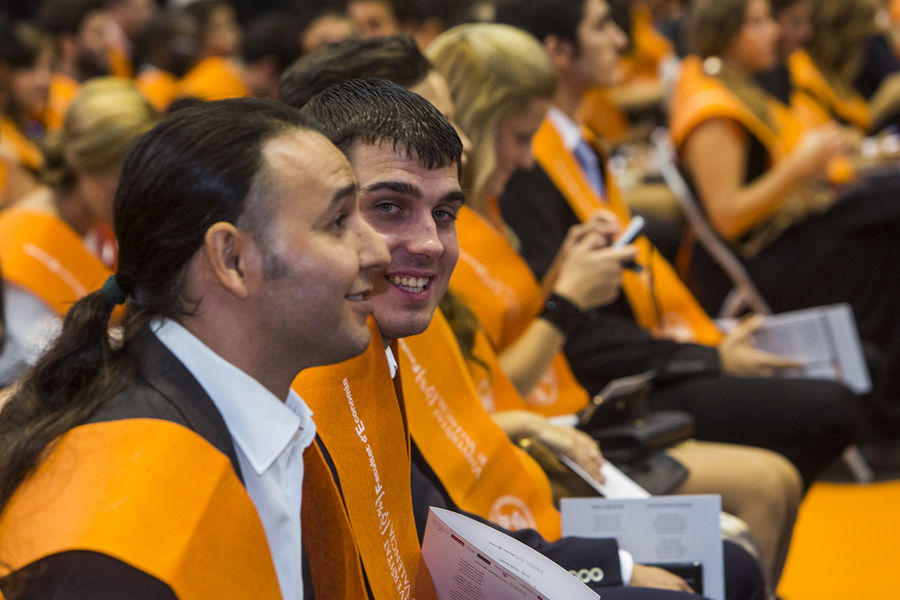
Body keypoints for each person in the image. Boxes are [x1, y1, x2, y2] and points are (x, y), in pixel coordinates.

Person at [281, 35, 804, 588]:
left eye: (449, 120)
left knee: (745, 536)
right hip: (513, 478)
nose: (461, 141)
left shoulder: (439, 255)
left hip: (525, 467)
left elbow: (458, 432)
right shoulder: (339, 342)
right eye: (388, 207)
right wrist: (564, 306)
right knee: (751, 517)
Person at [429, 15, 860, 497]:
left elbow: (516, 323)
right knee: (780, 468)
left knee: (838, 388)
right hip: (537, 426)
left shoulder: (492, 204)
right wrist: (567, 301)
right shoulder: (449, 233)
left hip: (567, 404)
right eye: (600, 26)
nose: (621, 39)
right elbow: (483, 389)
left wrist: (562, 277)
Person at [0, 97, 390, 598]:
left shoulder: (258, 418)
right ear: (231, 259)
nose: (377, 250)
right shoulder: (123, 526)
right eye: (338, 222)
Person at [672, 0, 900, 422]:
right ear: (725, 34)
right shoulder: (712, 109)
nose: (773, 32)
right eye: (757, 23)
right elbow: (728, 215)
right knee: (884, 235)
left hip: (789, 233)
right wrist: (800, 165)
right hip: (761, 261)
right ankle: (883, 405)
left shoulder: (738, 84)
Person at [0, 78, 154, 385]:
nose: (143, 192)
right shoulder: (21, 241)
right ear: (90, 166)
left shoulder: (98, 224)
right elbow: (54, 365)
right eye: (127, 175)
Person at [37, 0, 113, 131]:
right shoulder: (56, 102)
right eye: (97, 33)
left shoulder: (87, 88)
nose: (106, 42)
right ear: (67, 43)